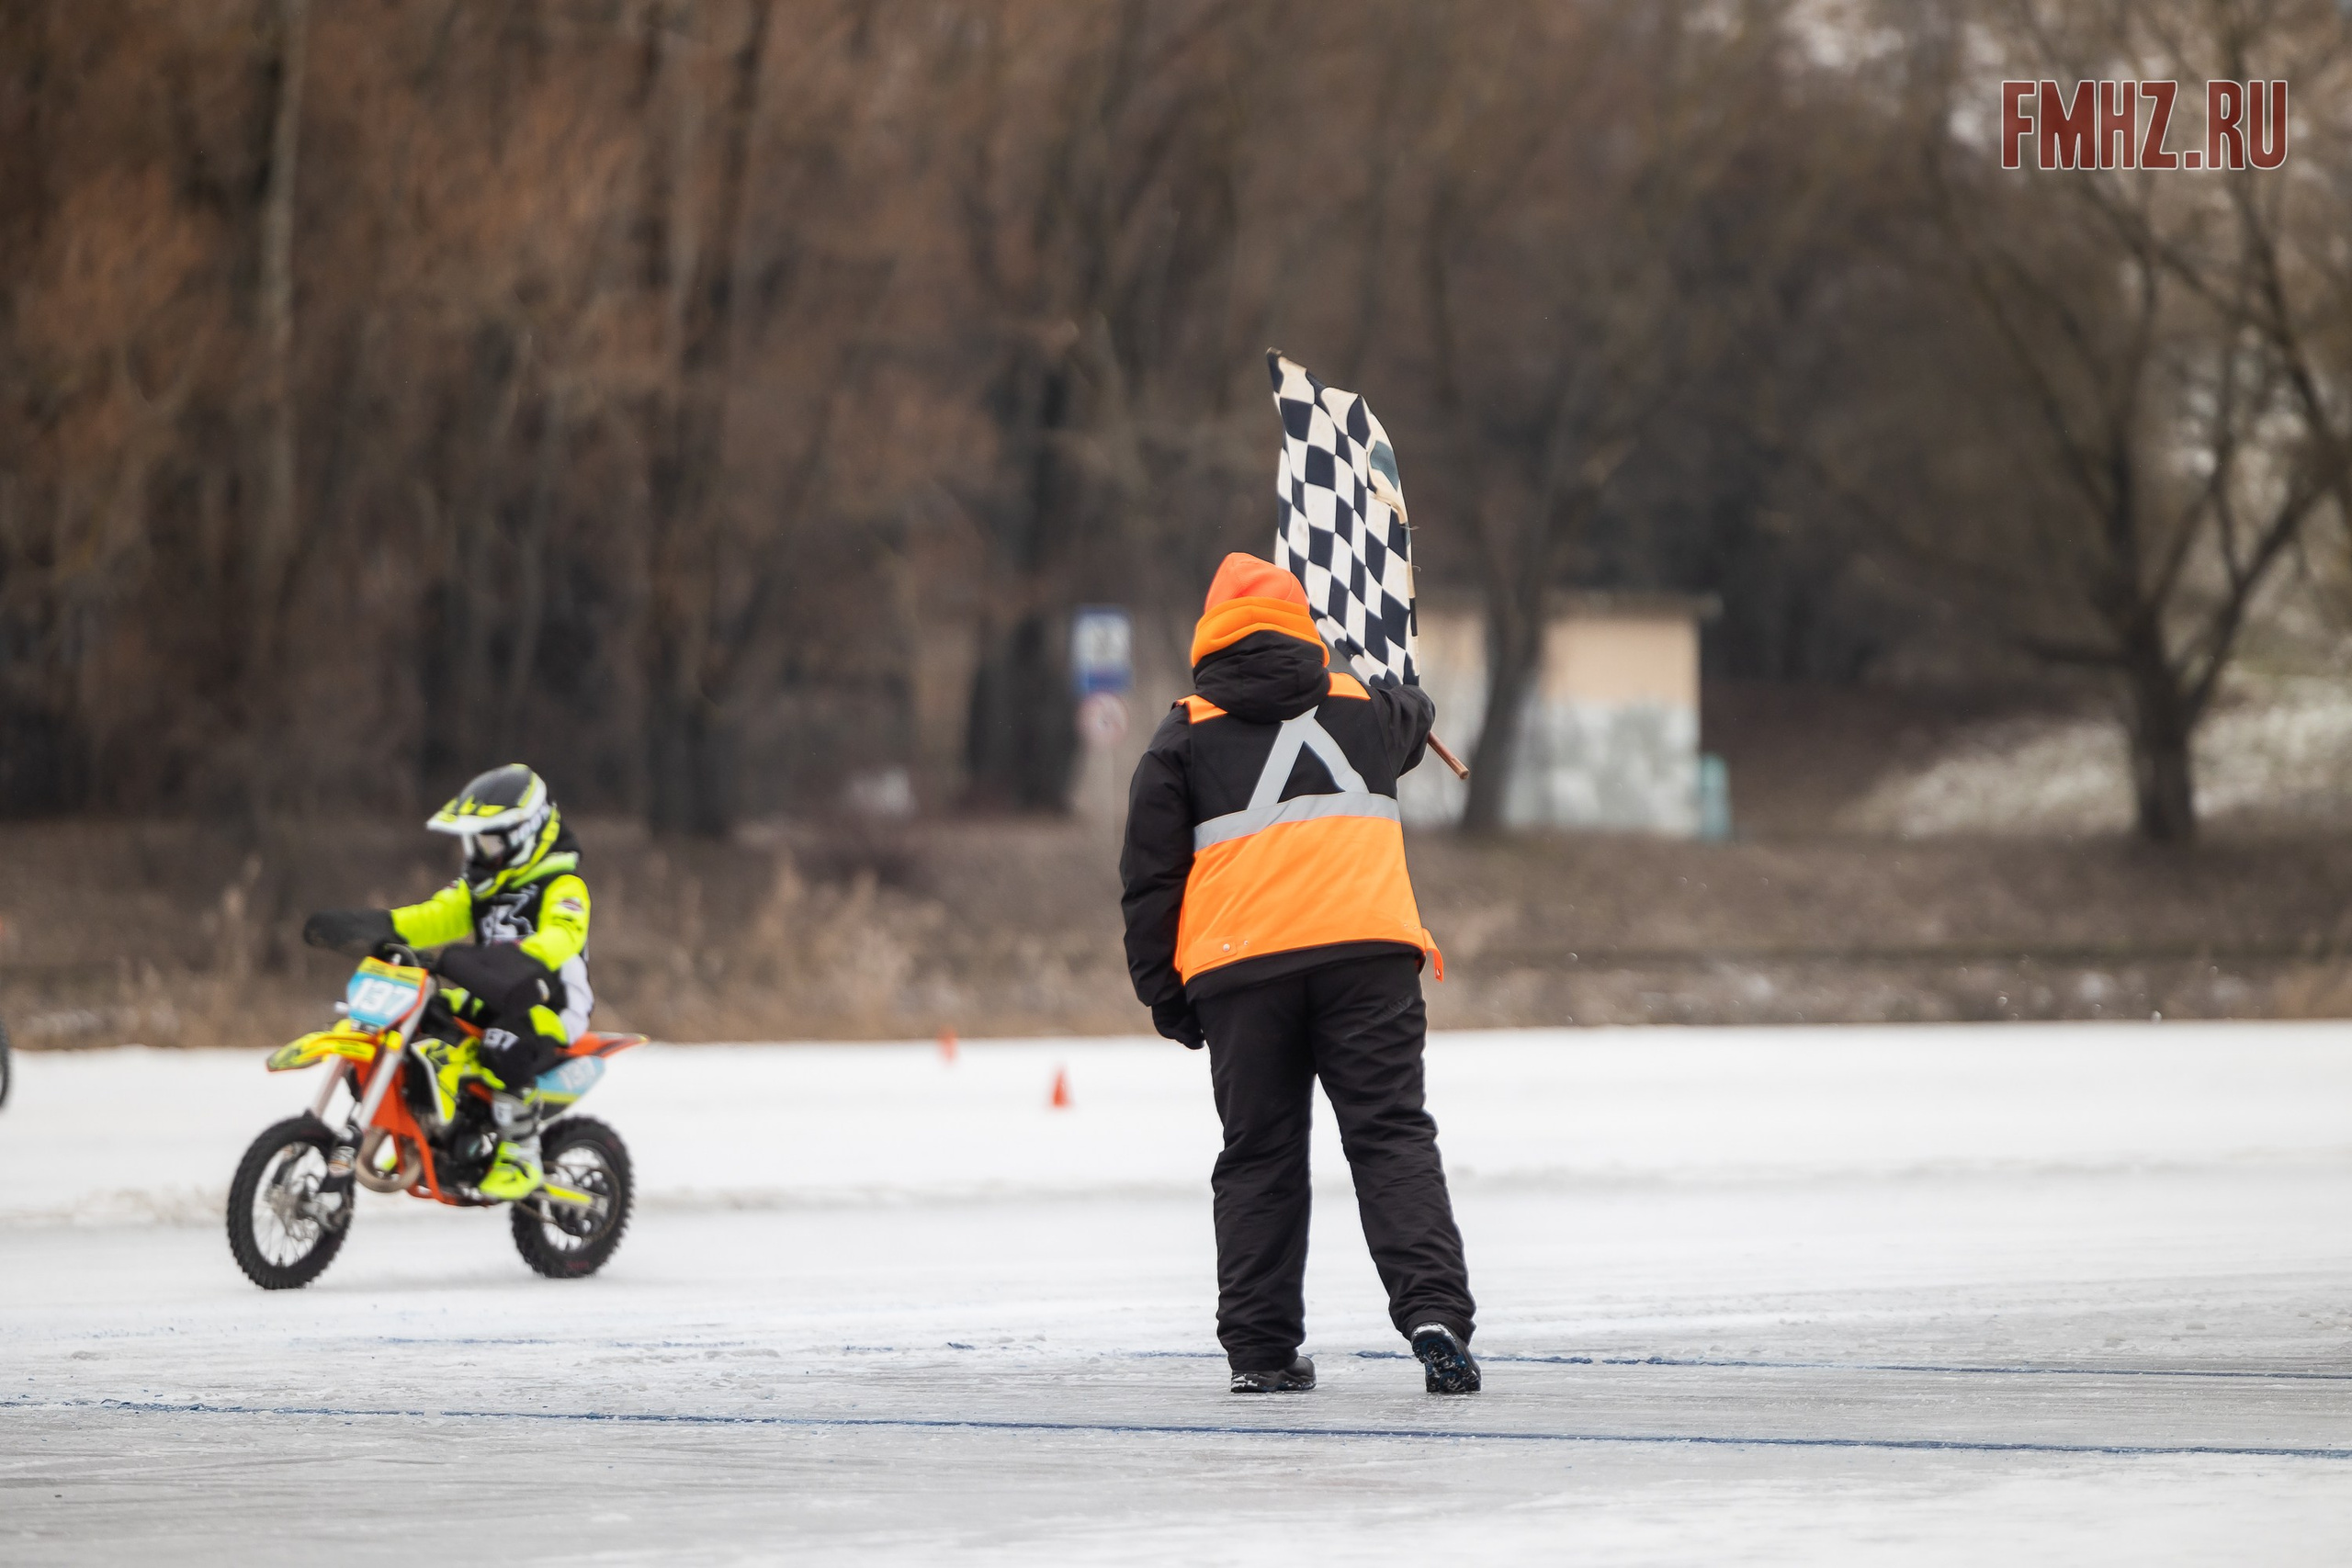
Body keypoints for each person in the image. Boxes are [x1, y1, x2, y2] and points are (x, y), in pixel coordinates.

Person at [1120, 553, 1479, 1395]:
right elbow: (1415, 706)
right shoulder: (1366, 711)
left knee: (1260, 1156)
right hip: (1369, 960)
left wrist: (1167, 996)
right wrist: (1400, 684)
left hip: (1242, 975)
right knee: (1390, 1134)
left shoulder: (1180, 736)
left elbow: (1149, 884)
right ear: (1302, 629)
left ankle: (1261, 1352)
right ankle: (1432, 1312)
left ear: (1212, 634)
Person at [302, 763, 593, 1201]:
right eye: (475, 841)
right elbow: (436, 915)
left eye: (491, 840)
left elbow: (563, 935)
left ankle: (520, 1152)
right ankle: (426, 1124)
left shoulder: (564, 885)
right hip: (487, 992)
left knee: (501, 1041)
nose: (481, 851)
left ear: (526, 834)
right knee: (422, 1025)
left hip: (548, 1003)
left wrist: (512, 956)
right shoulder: (481, 885)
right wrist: (378, 926)